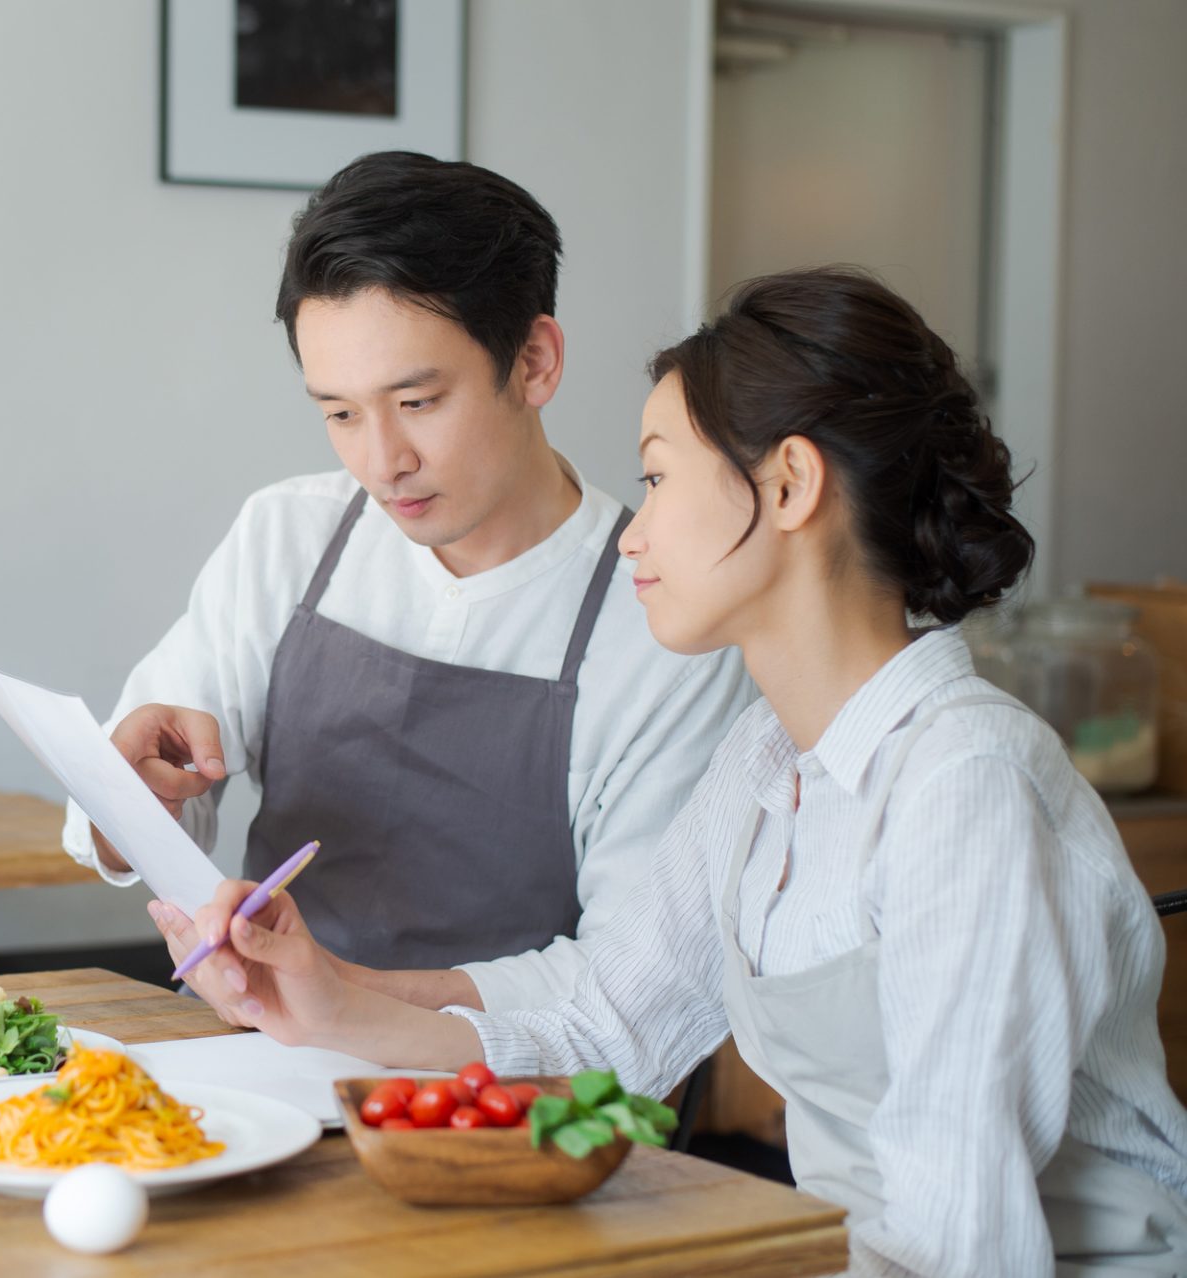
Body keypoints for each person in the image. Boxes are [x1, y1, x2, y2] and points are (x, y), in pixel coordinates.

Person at [166, 268, 1187, 1276]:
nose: (634, 533)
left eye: (657, 480)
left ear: (790, 485)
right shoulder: (765, 763)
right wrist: (327, 1001)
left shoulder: (966, 787)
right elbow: (606, 1032)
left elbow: (964, 1243)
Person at [62, 151, 752, 1010]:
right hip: (254, 1063)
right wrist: (129, 804)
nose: (382, 462)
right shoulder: (288, 536)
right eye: (341, 414)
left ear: (534, 361)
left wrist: (345, 999)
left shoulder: (663, 617)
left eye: (418, 402)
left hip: (495, 1101)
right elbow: (134, 813)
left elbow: (629, 980)